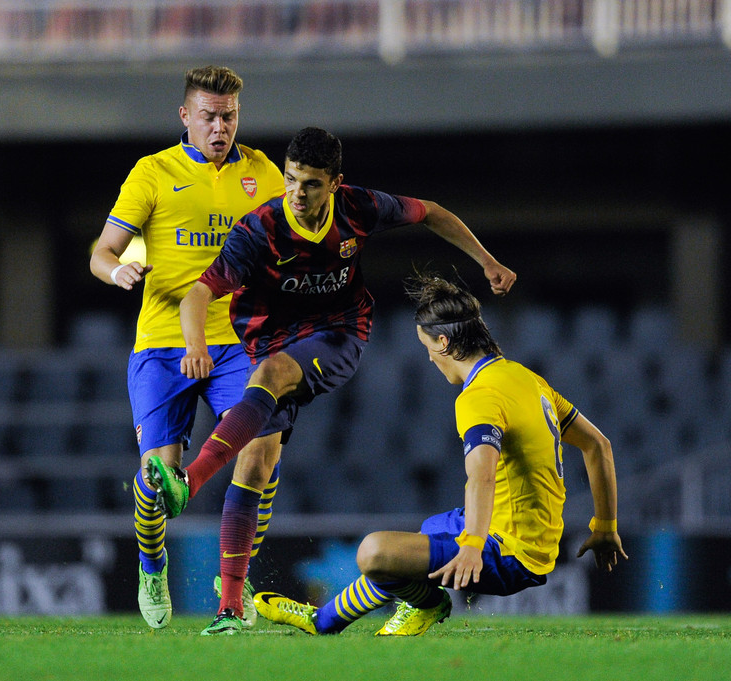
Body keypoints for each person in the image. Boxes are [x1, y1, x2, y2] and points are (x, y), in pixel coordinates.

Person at [148, 127, 517, 634]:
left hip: (339, 335)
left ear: (335, 183)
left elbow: (431, 210)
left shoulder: (360, 208)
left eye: (312, 184)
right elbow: (196, 296)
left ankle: (188, 480)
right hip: (267, 338)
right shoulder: (260, 228)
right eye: (291, 180)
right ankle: (231, 609)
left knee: (271, 374)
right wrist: (194, 344)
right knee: (255, 464)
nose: (298, 194)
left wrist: (488, 262)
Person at [252, 273, 628, 635]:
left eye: (428, 348)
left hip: (510, 551)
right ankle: (323, 620)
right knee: (426, 534)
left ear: (444, 342)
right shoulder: (527, 378)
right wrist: (606, 527)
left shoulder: (478, 397)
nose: (430, 359)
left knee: (373, 552)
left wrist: (473, 546)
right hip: (526, 534)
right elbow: (599, 445)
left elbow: (480, 474)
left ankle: (428, 605)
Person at [88, 65, 286, 632]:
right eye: (209, 116)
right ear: (185, 117)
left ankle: (234, 580)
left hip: (236, 342)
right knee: (158, 479)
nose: (220, 127)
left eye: (229, 117)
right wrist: (119, 272)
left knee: (262, 452)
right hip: (162, 345)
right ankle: (153, 565)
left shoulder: (261, 172)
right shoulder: (153, 173)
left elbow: (292, 240)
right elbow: (102, 252)